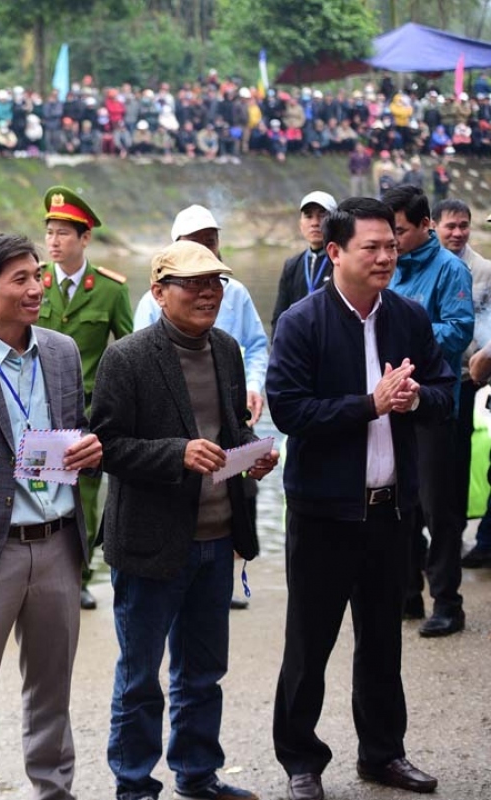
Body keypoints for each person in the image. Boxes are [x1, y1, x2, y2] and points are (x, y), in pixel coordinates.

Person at [267, 197, 451, 800]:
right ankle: (301, 760)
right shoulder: (302, 322)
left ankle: (383, 754)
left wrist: (416, 398)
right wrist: (367, 405)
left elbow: (446, 390)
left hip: (390, 509)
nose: (384, 257)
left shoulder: (408, 319)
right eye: (370, 247)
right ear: (335, 252)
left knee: (382, 640)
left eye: (391, 246)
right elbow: (290, 412)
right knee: (309, 643)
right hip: (323, 512)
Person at [90, 241, 278, 800]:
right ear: (157, 292)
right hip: (151, 543)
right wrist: (176, 453)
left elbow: (231, 430)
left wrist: (255, 454)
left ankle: (198, 776)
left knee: (202, 673)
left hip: (218, 541)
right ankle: (134, 787)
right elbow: (105, 445)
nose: (208, 293)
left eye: (215, 283)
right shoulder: (128, 357)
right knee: (140, 679)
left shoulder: (226, 348)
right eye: (192, 283)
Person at [0, 234, 102, 800]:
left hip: (59, 543)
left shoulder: (59, 350)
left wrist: (90, 449)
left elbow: (76, 427)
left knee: (52, 690)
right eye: (21, 280)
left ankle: (55, 790)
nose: (37, 288)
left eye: (38, 275)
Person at [133, 205, 268, 611]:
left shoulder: (235, 300)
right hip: (172, 444)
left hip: (225, 415)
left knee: (235, 488)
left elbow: (257, 346)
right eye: (195, 244)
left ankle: (224, 570)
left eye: (211, 242)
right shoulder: (139, 330)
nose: (206, 289)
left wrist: (252, 386)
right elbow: (123, 426)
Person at [382, 185, 474, 636]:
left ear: (424, 225)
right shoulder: (388, 267)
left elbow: (457, 333)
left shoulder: (450, 270)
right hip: (393, 404)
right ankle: (407, 593)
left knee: (440, 510)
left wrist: (406, 339)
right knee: (402, 507)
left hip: (436, 407)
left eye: (398, 231)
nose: (391, 241)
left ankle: (448, 602)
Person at [37, 185, 133, 610]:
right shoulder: (35, 282)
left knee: (86, 499)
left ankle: (80, 574)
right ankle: (38, 570)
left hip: (87, 413)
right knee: (34, 489)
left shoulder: (109, 290)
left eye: (63, 234)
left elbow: (130, 349)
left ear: (84, 238)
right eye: (50, 233)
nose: (54, 242)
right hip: (35, 410)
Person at [433, 199, 491, 569]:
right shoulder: (420, 265)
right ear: (433, 226)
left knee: (458, 459)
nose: (457, 233)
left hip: (466, 379)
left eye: (463, 225)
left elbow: (478, 329)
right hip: (426, 378)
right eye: (450, 226)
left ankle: (453, 541)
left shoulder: (483, 270)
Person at [272, 191, 339, 335]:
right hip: (298, 342)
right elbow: (279, 315)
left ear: (335, 220)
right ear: (300, 224)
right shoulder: (292, 265)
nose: (315, 223)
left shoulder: (341, 261)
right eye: (308, 216)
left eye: (322, 215)